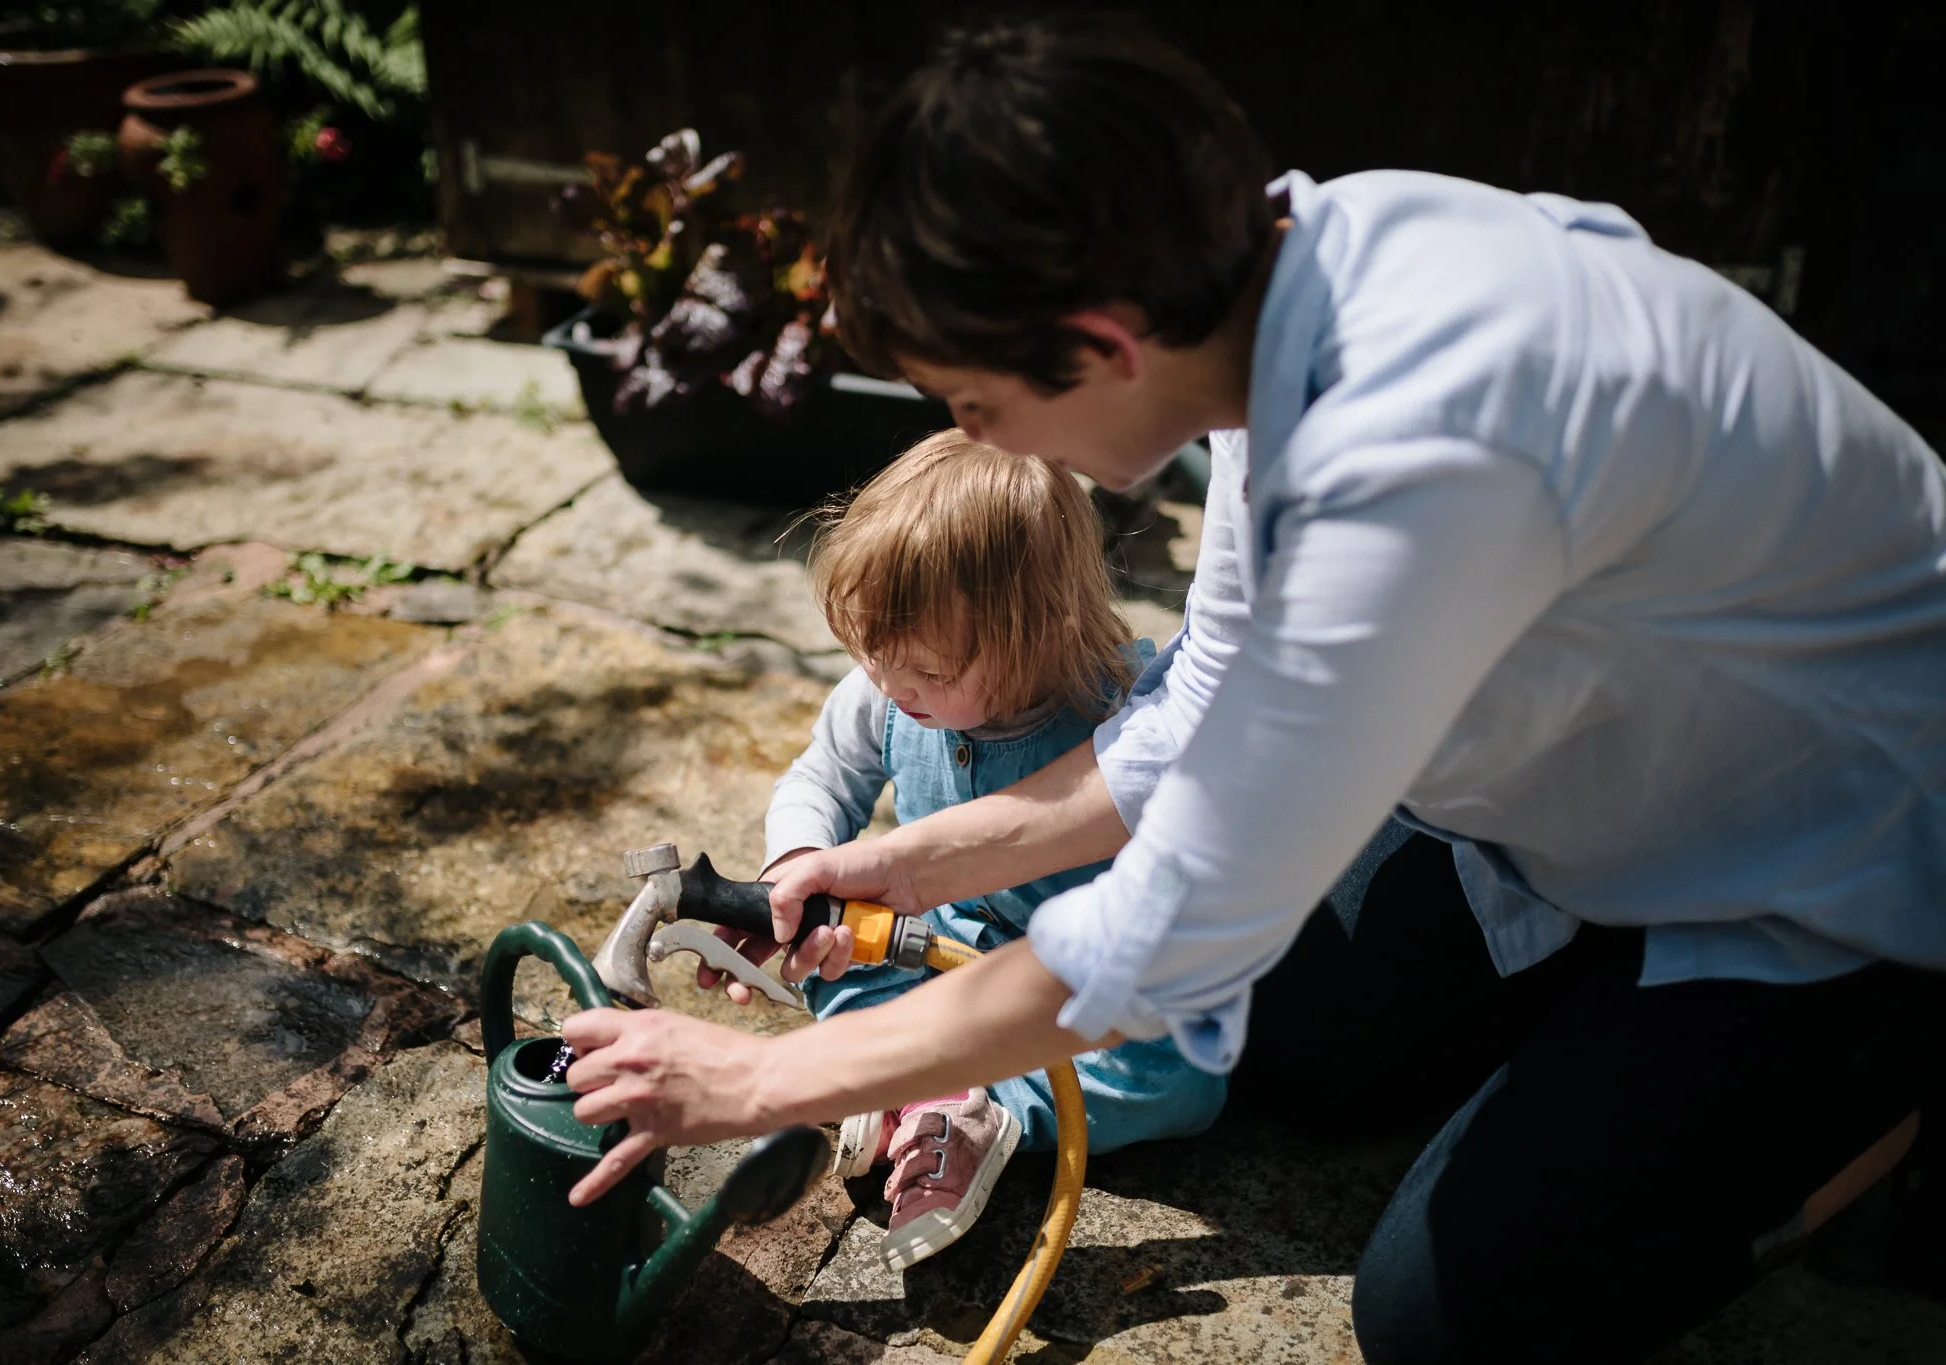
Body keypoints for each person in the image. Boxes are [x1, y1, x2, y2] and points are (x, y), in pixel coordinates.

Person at [558, 16, 1946, 1363]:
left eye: (974, 404)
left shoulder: (1418, 449)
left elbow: (1167, 932)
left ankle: (1878, 1096)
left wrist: (753, 1081)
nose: (971, 440)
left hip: (1849, 865)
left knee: (1450, 1319)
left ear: (1103, 344)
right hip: (1608, 781)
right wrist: (882, 864)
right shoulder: (1287, 285)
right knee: (1315, 1048)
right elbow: (1195, 716)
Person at [739, 431, 1224, 1271]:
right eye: (871, 655)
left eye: (926, 668)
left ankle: (976, 1107)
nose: (893, 686)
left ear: (1043, 626)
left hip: (1068, 982)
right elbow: (819, 776)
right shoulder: (886, 690)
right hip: (934, 946)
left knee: (1182, 1075)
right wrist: (797, 860)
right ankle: (906, 1080)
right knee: (835, 958)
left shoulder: (1119, 710)